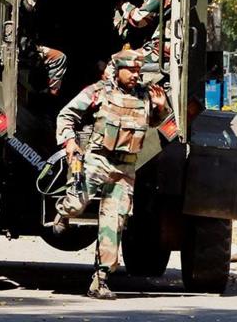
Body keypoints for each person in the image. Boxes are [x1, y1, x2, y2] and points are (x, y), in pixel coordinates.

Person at [53, 49, 171, 299]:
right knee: (76, 205)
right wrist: (70, 143)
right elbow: (66, 115)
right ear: (118, 70)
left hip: (125, 169)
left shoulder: (144, 96)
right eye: (131, 70)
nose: (136, 76)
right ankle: (63, 212)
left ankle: (101, 280)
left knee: (114, 224)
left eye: (139, 71)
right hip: (97, 161)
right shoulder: (98, 92)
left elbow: (154, 124)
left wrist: (160, 109)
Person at [20, 0, 67, 95]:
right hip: (23, 47)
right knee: (59, 58)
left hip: (28, 43)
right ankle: (50, 95)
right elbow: (28, 9)